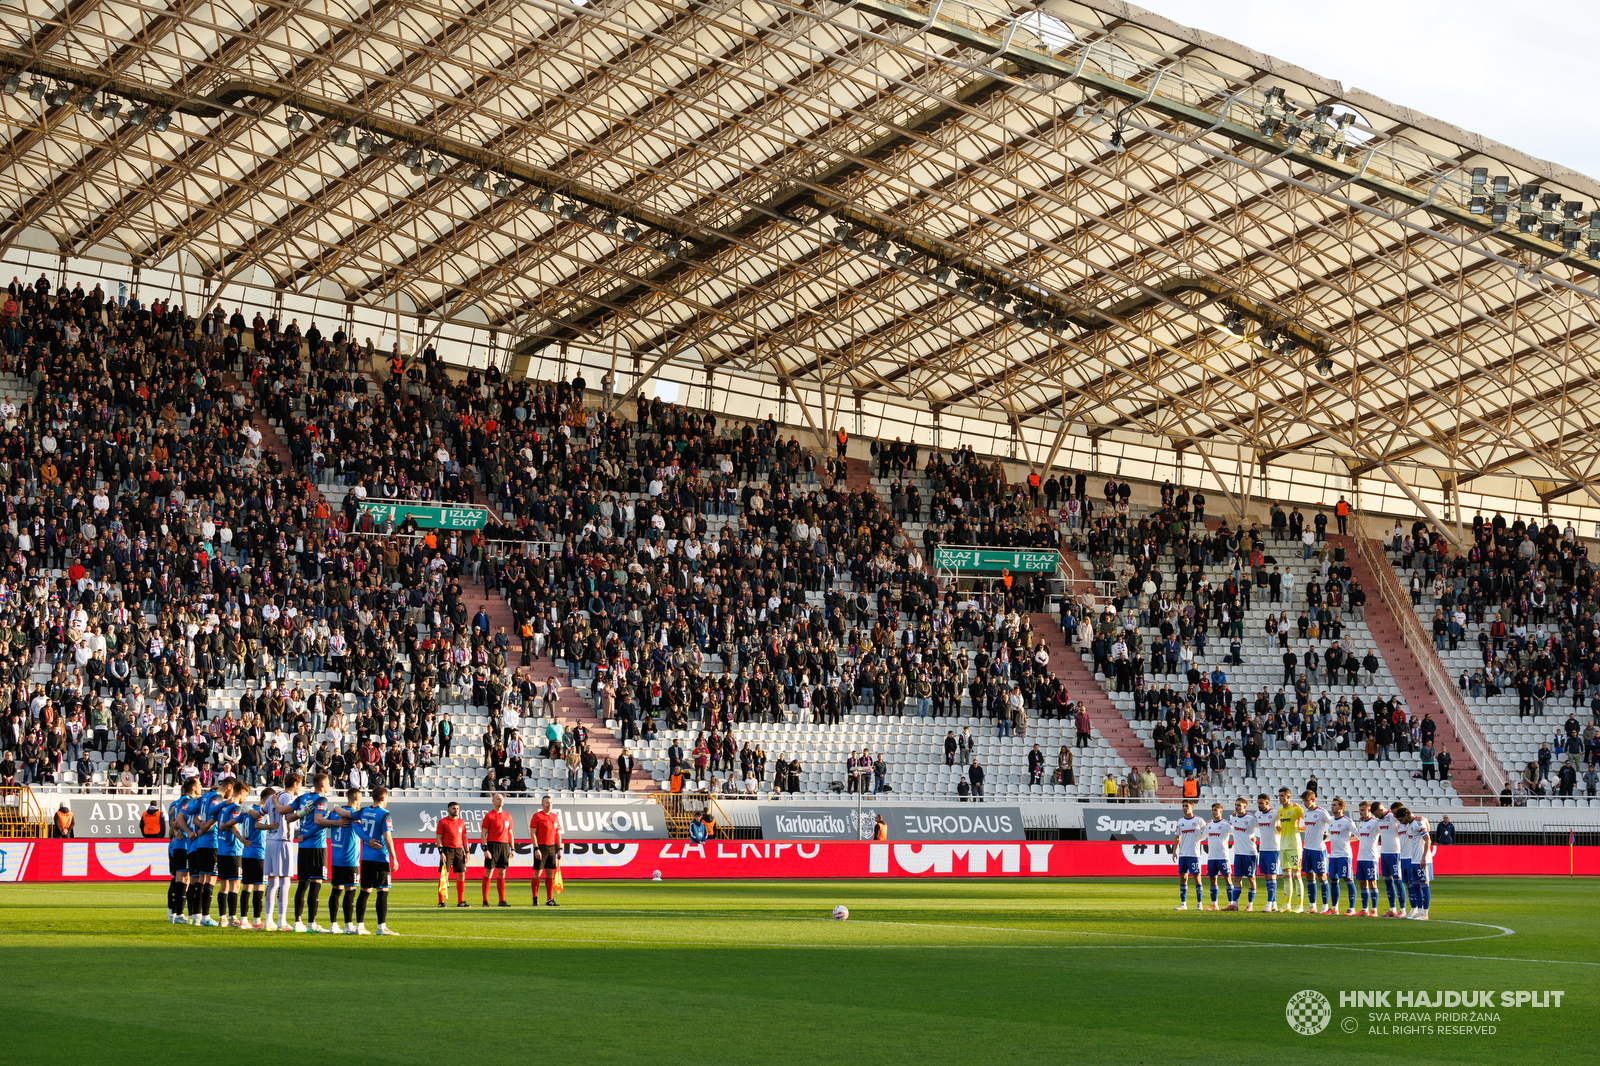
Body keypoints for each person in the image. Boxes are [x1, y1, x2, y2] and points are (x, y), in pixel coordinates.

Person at [352, 785, 399, 935]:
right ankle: (381, 927)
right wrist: (394, 858)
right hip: (380, 858)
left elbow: (353, 822)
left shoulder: (364, 811)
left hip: (366, 859)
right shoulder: (385, 814)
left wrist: (366, 840)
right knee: (382, 891)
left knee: (365, 892)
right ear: (384, 798)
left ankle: (359, 926)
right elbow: (387, 837)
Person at [324, 787, 363, 934]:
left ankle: (333, 925)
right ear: (356, 798)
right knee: (350, 892)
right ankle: (348, 925)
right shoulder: (353, 815)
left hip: (336, 859)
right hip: (350, 860)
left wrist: (335, 808)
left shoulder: (334, 814)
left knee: (336, 891)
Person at [1300, 790, 1332, 914]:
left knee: (1321, 876)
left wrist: (1327, 837)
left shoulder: (1322, 812)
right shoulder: (1305, 813)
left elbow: (1333, 824)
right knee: (1308, 875)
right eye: (1304, 801)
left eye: (1307, 800)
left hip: (1318, 849)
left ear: (1313, 800)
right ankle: (1312, 905)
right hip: (1307, 848)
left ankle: (1325, 905)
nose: (1305, 803)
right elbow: (1308, 827)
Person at [529, 794, 564, 906]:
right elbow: (532, 833)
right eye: (547, 802)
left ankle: (549, 899)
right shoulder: (537, 816)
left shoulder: (554, 817)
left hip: (551, 847)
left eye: (551, 802)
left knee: (550, 874)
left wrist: (560, 848)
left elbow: (558, 834)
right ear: (542, 804)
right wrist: (536, 848)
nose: (549, 804)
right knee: (537, 874)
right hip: (541, 847)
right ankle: (535, 898)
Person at [481, 792, 515, 906]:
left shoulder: (508, 816)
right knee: (489, 872)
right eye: (498, 799)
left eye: (502, 799)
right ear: (493, 801)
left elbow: (510, 833)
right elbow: (483, 833)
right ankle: (485, 901)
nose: (500, 800)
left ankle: (501, 900)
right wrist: (485, 849)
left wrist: (512, 848)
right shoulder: (489, 815)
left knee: (502, 873)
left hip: (504, 846)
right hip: (492, 845)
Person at [1275, 787, 1305, 913]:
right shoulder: (1280, 811)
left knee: (1297, 876)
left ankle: (1300, 905)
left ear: (1289, 797)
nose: (1280, 798)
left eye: (1282, 795)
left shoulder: (1296, 809)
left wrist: (1299, 828)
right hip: (1283, 846)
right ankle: (1287, 904)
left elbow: (1309, 819)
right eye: (1279, 795)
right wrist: (1281, 830)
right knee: (1286, 877)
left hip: (1294, 846)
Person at [1325, 798, 1357, 915]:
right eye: (1332, 805)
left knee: (1348, 880)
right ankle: (1334, 908)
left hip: (1344, 855)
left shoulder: (1348, 821)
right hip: (1333, 855)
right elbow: (1331, 835)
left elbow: (1359, 835)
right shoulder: (1332, 820)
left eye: (1334, 805)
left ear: (1341, 807)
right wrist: (1324, 838)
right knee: (1333, 880)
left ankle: (1352, 908)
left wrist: (1347, 840)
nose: (1332, 807)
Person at [1226, 797, 1258, 911]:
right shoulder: (1233, 818)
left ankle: (1250, 904)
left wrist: (1255, 836)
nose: (1237, 807)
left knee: (1251, 878)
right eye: (1236, 805)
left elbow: (1264, 828)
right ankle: (1234, 904)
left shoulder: (1251, 818)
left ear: (1245, 806)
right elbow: (1227, 826)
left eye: (1239, 805)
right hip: (1238, 854)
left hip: (1249, 853)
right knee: (1236, 879)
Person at [1172, 799, 1205, 910]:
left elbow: (1206, 833)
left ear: (1192, 807)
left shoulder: (1199, 820)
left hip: (1194, 854)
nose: (1185, 808)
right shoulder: (1180, 821)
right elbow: (1177, 837)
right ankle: (1183, 904)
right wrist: (1174, 851)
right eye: (1183, 806)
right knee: (1183, 878)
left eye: (1187, 806)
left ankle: (1199, 903)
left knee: (1197, 878)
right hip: (1183, 854)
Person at [1251, 794, 1281, 911]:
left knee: (1272, 876)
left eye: (1261, 803)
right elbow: (1251, 826)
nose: (1259, 805)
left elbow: (1286, 821)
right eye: (1258, 803)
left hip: (1274, 849)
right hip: (1263, 849)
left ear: (1267, 803)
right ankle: (1273, 904)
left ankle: (1269, 903)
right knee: (1266, 877)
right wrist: (1253, 835)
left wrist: (1281, 828)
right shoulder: (1257, 814)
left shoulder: (1275, 813)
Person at [436, 800, 469, 907]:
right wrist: (441, 852)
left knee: (461, 875)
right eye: (454, 808)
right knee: (444, 876)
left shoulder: (461, 822)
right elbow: (439, 838)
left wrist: (467, 852)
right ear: (448, 810)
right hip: (447, 850)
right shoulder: (442, 822)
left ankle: (460, 901)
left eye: (457, 808)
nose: (456, 810)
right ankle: (441, 901)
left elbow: (464, 838)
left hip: (459, 851)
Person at [1374, 801, 1404, 917]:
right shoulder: (1378, 820)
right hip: (1384, 853)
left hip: (1394, 853)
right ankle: (1392, 909)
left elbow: (1405, 819)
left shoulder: (1393, 816)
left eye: (1377, 814)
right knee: (1388, 882)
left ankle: (1403, 909)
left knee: (1397, 881)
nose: (1376, 817)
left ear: (1381, 810)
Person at [1202, 803, 1230, 911]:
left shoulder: (1226, 824)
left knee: (1227, 879)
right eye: (1212, 810)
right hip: (1211, 857)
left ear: (1221, 811)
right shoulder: (1209, 825)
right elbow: (1202, 836)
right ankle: (1214, 905)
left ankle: (1231, 904)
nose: (1214, 812)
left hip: (1223, 856)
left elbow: (1236, 833)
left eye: (1216, 810)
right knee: (1212, 880)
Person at [1353, 800, 1379, 916]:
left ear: (1369, 810)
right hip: (1361, 858)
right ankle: (1364, 909)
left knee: (1372, 883)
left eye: (1362, 810)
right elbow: (1360, 837)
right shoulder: (1362, 822)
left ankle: (1374, 909)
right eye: (1359, 810)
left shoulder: (1375, 822)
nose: (1360, 812)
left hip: (1371, 857)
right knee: (1362, 883)